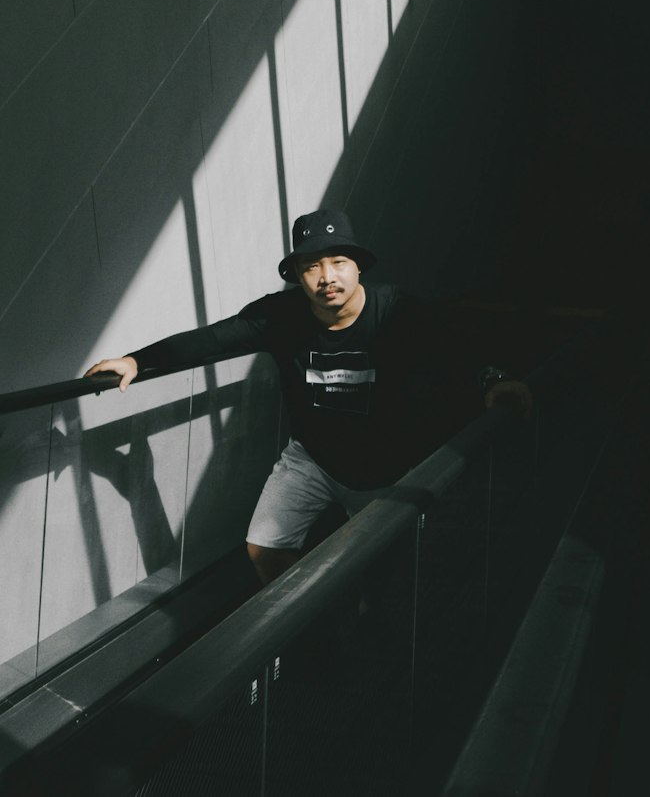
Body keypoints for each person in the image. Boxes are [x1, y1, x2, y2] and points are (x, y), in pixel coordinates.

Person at [85, 208, 533, 585]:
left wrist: (494, 379)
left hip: (384, 467)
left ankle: (361, 610)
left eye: (337, 261)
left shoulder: (394, 309)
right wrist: (136, 361)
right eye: (312, 267)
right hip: (311, 459)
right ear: (299, 276)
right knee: (264, 548)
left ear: (358, 267)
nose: (326, 277)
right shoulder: (281, 316)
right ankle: (316, 619)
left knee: (380, 568)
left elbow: (458, 343)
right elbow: (211, 339)